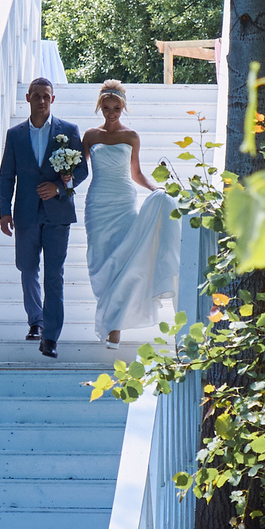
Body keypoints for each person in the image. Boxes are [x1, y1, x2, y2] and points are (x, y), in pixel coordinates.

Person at [79, 79, 179, 345]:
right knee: (102, 260)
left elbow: (135, 173)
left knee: (123, 260)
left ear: (123, 108)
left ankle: (115, 329)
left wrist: (155, 187)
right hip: (98, 203)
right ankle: (112, 319)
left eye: (116, 108)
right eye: (107, 108)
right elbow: (78, 171)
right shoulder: (90, 136)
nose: (111, 113)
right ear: (100, 107)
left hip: (123, 201)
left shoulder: (131, 136)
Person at [0, 77, 83, 358]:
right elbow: (7, 175)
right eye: (36, 96)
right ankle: (36, 319)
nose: (41, 101)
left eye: (46, 96)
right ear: (28, 98)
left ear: (53, 99)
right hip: (24, 213)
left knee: (54, 274)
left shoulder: (68, 131)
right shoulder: (15, 134)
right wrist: (4, 211)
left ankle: (50, 336)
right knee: (27, 267)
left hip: (57, 213)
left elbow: (81, 172)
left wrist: (59, 187)